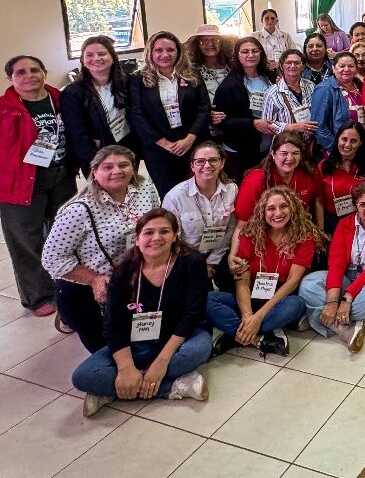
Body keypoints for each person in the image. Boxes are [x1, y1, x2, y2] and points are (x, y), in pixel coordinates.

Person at [71, 209, 211, 417]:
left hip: (179, 339)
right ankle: (172, 386)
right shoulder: (123, 272)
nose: (156, 238)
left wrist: (161, 362)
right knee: (82, 376)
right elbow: (113, 325)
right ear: (137, 239)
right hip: (138, 343)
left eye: (164, 231)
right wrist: (126, 368)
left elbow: (191, 314)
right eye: (148, 232)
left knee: (200, 349)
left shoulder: (192, 262)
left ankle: (113, 391)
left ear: (175, 236)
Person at [42, 146, 160, 351]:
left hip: (134, 277)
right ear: (94, 172)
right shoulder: (78, 211)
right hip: (90, 288)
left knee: (152, 341)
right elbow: (52, 259)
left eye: (123, 165)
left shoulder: (144, 189)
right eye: (108, 167)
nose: (117, 171)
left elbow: (158, 222)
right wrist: (93, 279)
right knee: (114, 352)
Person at [2, 55, 78, 319]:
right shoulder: (4, 108)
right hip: (19, 184)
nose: (29, 76)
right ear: (10, 78)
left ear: (44, 72)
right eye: (20, 72)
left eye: (34, 70)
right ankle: (39, 296)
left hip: (61, 177)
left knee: (65, 234)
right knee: (27, 241)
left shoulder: (60, 99)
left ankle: (70, 284)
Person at [209, 186, 323, 357]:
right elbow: (242, 281)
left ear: (293, 208)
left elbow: (293, 281)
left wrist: (258, 318)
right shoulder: (250, 234)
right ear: (263, 211)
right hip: (251, 296)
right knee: (208, 299)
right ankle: (259, 338)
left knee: (297, 304)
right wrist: (248, 315)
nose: (278, 213)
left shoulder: (305, 236)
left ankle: (236, 334)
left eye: (283, 206)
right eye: (271, 208)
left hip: (280, 299)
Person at [299, 182, 365, 352]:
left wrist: (347, 298)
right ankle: (343, 327)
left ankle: (319, 316)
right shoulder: (344, 224)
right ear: (355, 206)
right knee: (308, 284)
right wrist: (332, 300)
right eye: (363, 204)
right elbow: (336, 262)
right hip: (349, 276)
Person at [128, 31, 211, 197]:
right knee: (169, 194)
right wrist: (164, 143)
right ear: (150, 53)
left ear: (178, 52)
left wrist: (189, 139)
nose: (165, 55)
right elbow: (136, 115)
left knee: (197, 191)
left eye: (170, 50)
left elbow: (204, 107)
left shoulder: (192, 74)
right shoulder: (138, 80)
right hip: (158, 149)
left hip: (193, 144)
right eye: (159, 50)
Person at [162, 141, 238, 292]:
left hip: (220, 251)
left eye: (213, 160)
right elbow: (173, 240)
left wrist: (212, 261)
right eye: (200, 161)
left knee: (234, 279)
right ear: (192, 166)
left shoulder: (232, 190)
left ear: (222, 163)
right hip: (186, 257)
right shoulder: (175, 197)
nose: (207, 165)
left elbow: (231, 229)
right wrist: (199, 266)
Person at [62, 37, 141, 176]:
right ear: (82, 60)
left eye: (102, 53)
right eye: (89, 55)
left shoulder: (129, 82)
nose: (96, 58)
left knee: (128, 185)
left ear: (112, 57)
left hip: (127, 147)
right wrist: (94, 161)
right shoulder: (73, 92)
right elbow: (77, 134)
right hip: (95, 154)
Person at [233, 132, 322, 249]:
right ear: (273, 154)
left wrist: (319, 234)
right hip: (261, 238)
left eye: (295, 153)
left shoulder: (308, 175)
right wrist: (233, 254)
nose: (290, 158)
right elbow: (242, 225)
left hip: (296, 236)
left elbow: (308, 209)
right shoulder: (255, 180)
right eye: (284, 153)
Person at [212, 36, 277, 177]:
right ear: (237, 55)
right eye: (245, 52)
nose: (251, 55)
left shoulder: (270, 77)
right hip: (241, 150)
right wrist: (252, 124)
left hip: (269, 146)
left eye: (255, 51)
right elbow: (221, 123)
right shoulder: (228, 86)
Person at [318, 121, 365, 236]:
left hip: (364, 221)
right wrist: (321, 230)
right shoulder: (324, 165)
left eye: (353, 141)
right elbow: (318, 200)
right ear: (338, 139)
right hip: (332, 222)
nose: (347, 145)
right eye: (344, 139)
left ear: (360, 143)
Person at [262, 49, 318, 153]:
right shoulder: (272, 93)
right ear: (281, 66)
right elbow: (267, 125)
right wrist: (292, 127)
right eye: (288, 63)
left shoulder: (311, 86)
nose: (292, 66)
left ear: (303, 66)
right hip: (286, 147)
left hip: (310, 145)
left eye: (297, 63)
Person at [312, 51, 365, 154]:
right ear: (333, 68)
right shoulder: (324, 88)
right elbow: (318, 126)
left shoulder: (360, 86)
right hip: (338, 150)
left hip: (360, 147)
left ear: (356, 68)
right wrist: (335, 149)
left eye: (351, 66)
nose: (346, 69)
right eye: (342, 66)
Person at [186, 24, 231, 102]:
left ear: (222, 43)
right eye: (204, 40)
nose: (210, 44)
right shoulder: (190, 71)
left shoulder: (231, 66)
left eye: (215, 40)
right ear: (197, 45)